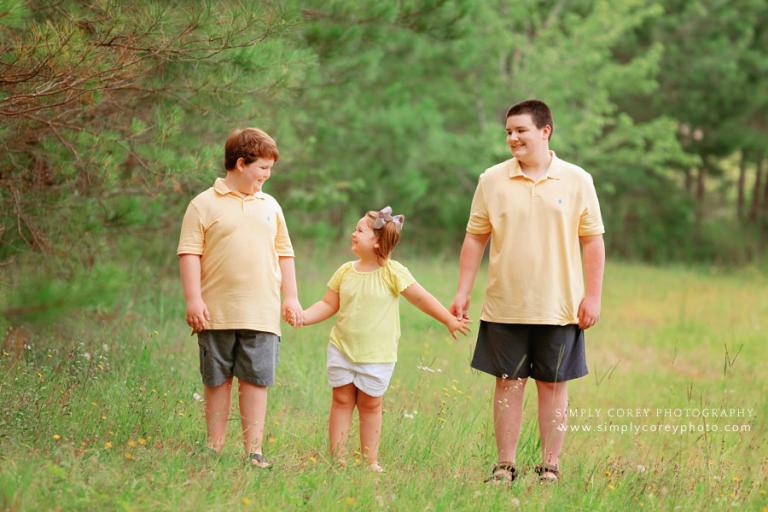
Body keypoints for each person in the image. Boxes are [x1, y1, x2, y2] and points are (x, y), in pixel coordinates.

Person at [450, 99, 605, 484]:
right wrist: (463, 290)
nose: (513, 138)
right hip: (505, 305)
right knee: (508, 384)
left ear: (545, 130)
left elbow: (593, 242)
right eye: (508, 132)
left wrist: (593, 295)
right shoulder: (492, 180)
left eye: (521, 130)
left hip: (560, 306)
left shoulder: (577, 180)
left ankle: (549, 466)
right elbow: (475, 238)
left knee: (553, 386)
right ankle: (505, 465)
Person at [293, 207, 470, 472]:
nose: (353, 234)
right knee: (341, 400)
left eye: (360, 230)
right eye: (355, 229)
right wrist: (304, 317)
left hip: (377, 354)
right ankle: (337, 458)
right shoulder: (345, 271)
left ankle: (370, 460)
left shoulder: (393, 272)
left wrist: (448, 319)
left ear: (377, 240)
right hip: (342, 348)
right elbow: (328, 304)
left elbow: (421, 298)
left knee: (370, 404)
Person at [177, 127, 302, 468]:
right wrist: (193, 299)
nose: (267, 175)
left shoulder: (270, 205)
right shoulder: (203, 204)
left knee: (256, 381)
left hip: (262, 312)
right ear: (241, 163)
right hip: (216, 311)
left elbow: (285, 253)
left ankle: (254, 451)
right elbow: (189, 253)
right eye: (263, 168)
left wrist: (290, 297)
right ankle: (213, 447)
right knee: (217, 380)